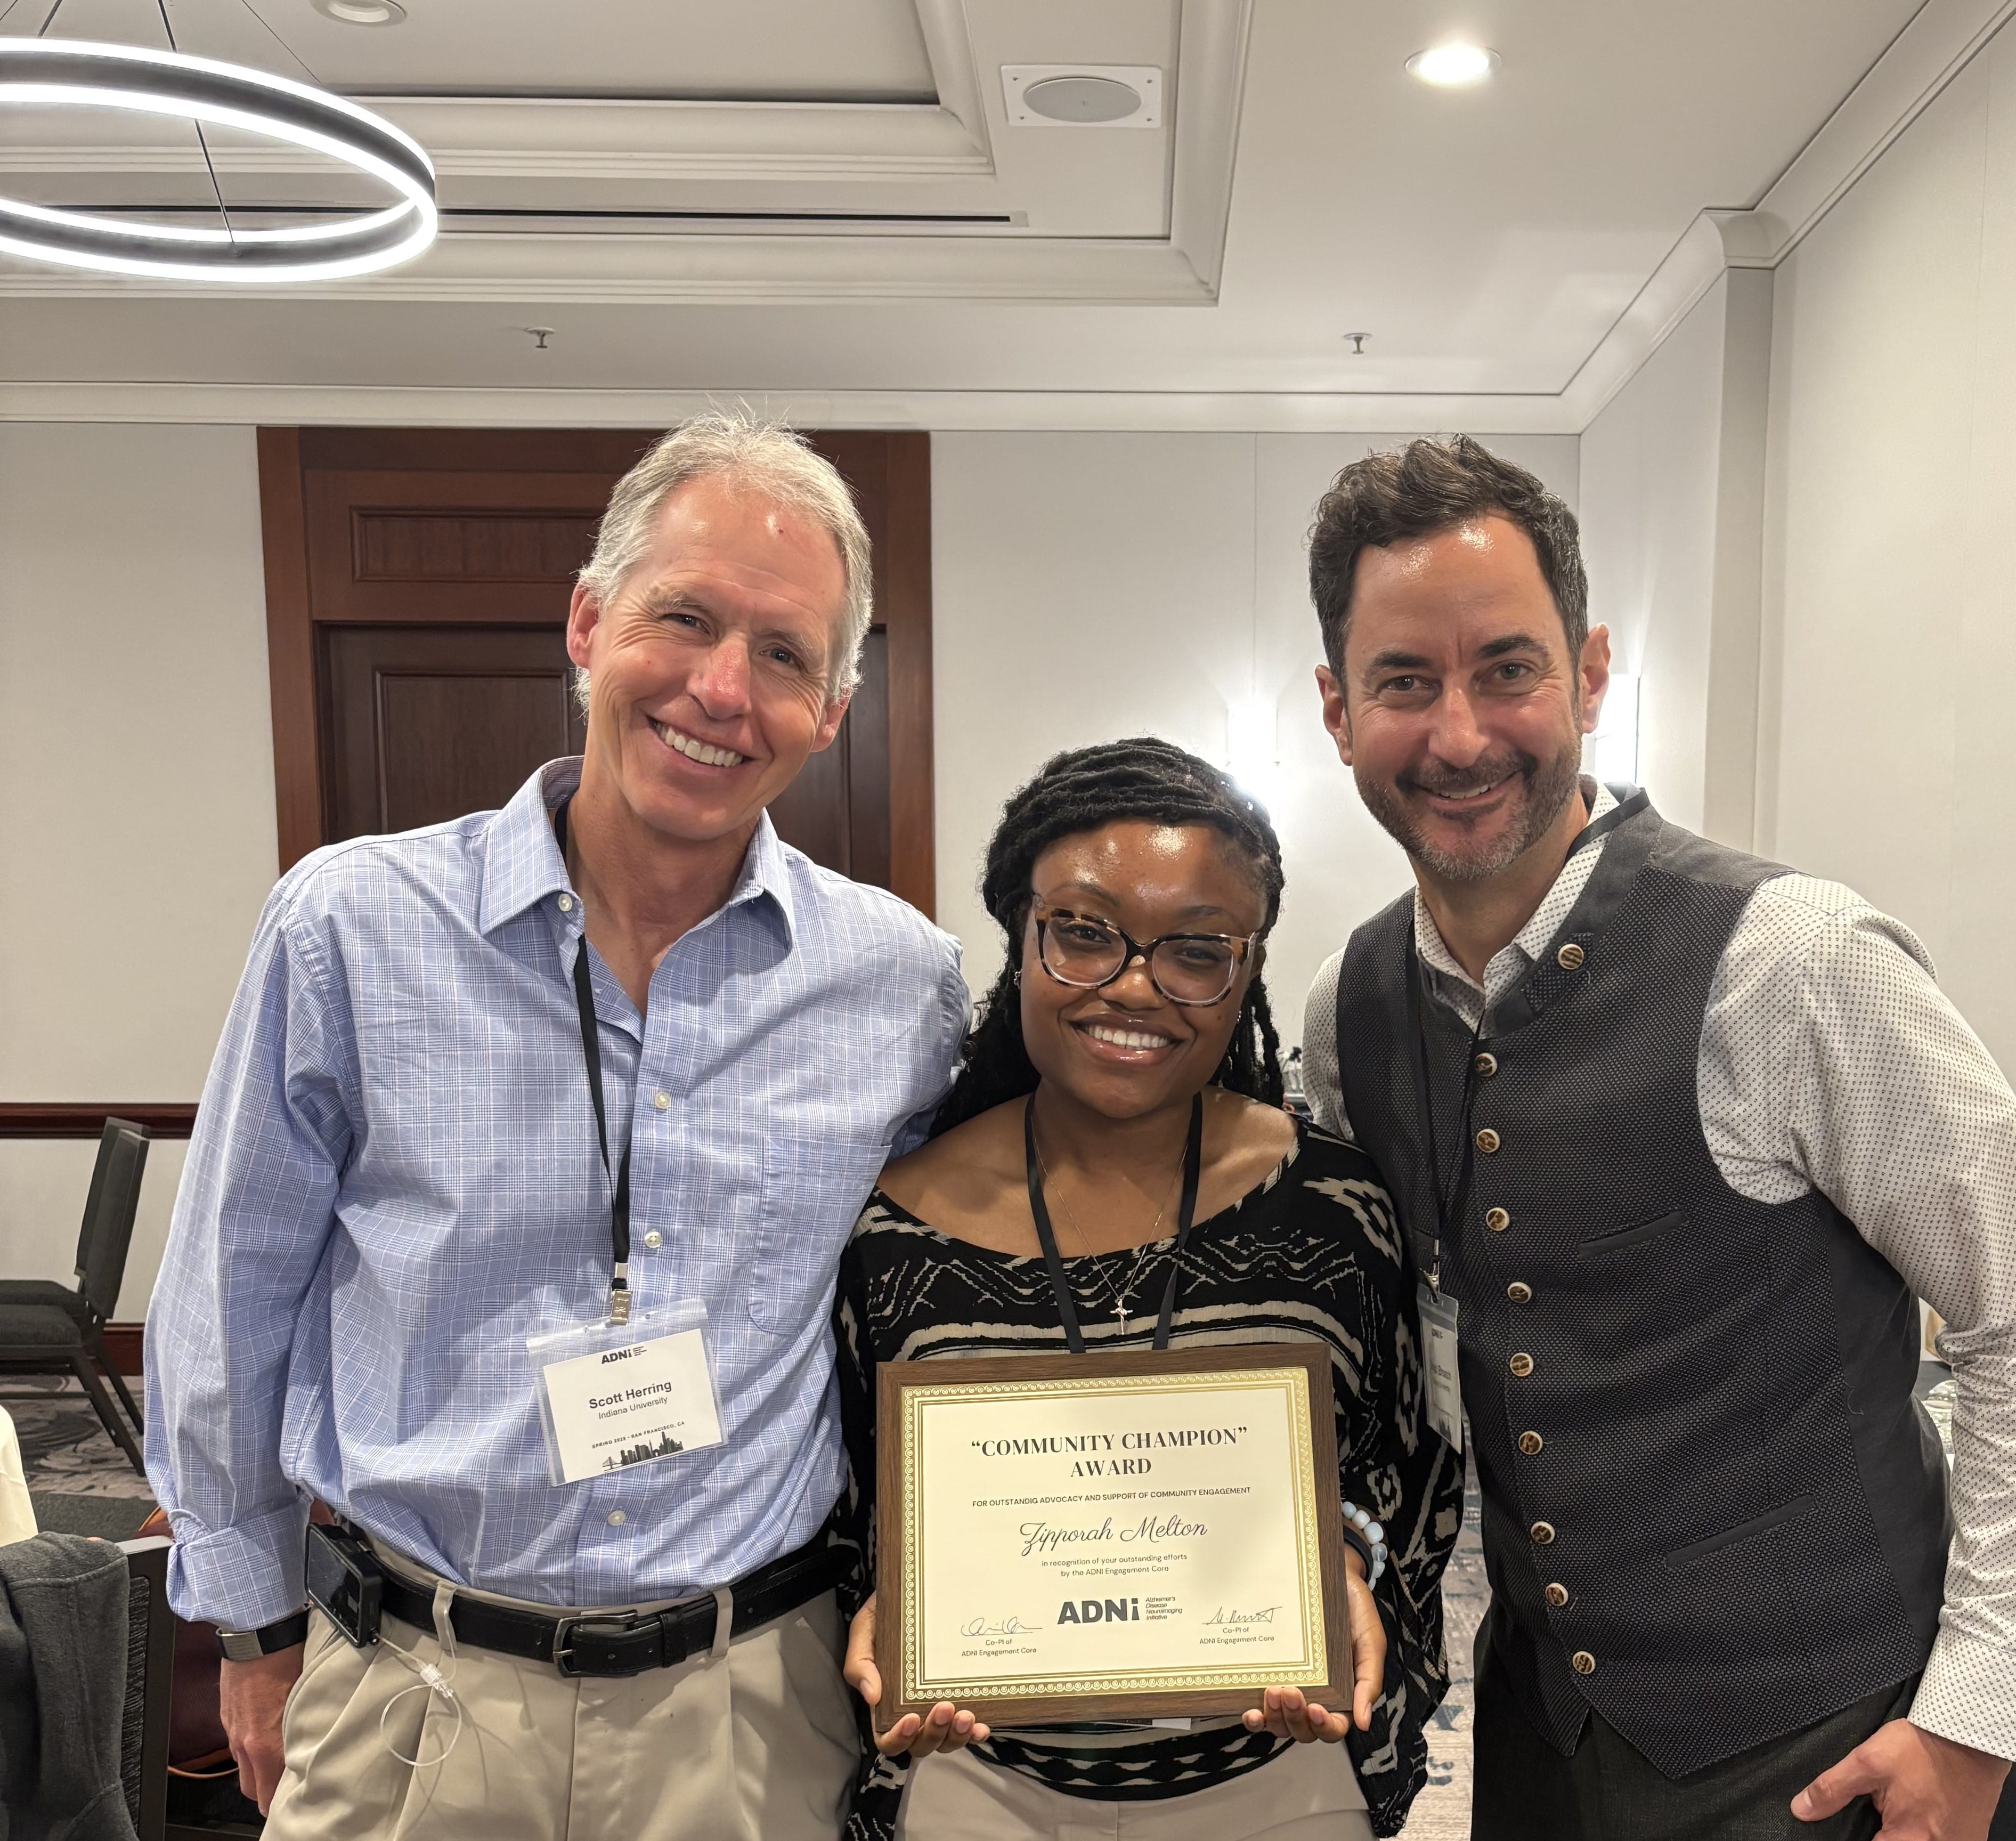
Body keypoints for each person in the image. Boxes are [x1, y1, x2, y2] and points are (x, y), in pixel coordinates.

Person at [144, 412, 969, 1840]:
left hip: (749, 1713)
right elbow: (230, 1295)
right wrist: (251, 1632)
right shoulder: (351, 928)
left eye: (784, 654)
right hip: (411, 1691)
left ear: (831, 710)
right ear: (589, 624)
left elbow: (963, 1294)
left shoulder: (898, 986)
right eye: (685, 620)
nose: (722, 690)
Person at [1298, 438, 2016, 1841]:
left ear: (1590, 672)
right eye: (1402, 683)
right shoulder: (1345, 1009)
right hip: (1533, 1744)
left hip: (1819, 1749)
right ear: (1333, 707)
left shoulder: (1793, 960)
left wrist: (1975, 1714)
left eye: (1507, 667)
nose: (1462, 734)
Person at [832, 740, 1464, 1839]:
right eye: (1083, 932)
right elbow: (846, 1510)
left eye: (1196, 952)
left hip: (1275, 1777)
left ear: (1245, 972)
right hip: (980, 1785)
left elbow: (1402, 1474)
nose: (1135, 986)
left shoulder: (1332, 1207)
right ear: (1021, 937)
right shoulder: (892, 1227)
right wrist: (888, 1614)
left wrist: (1347, 1568)